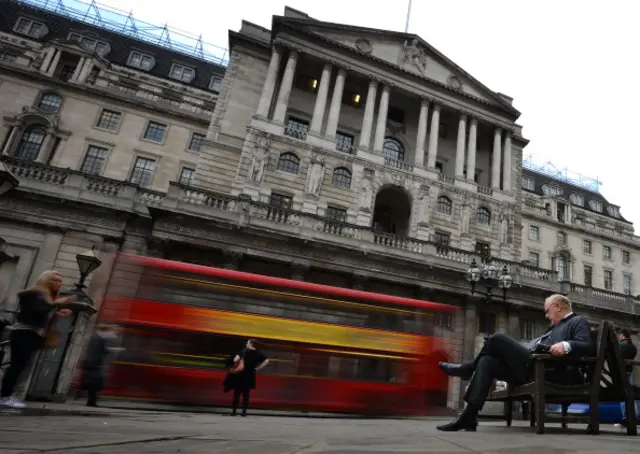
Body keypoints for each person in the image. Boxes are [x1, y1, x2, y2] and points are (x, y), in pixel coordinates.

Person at [436, 294, 594, 432]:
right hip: (531, 367)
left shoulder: (577, 321)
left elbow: (587, 345)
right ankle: (468, 417)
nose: (546, 316)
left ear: (558, 307)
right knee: (487, 361)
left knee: (497, 338)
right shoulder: (552, 328)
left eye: (547, 311)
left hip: (548, 370)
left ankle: (468, 368)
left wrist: (566, 346)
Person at [1, 270, 74, 409]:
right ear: (46, 280)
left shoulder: (46, 296)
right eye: (55, 280)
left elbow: (41, 313)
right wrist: (56, 303)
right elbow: (35, 310)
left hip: (32, 334)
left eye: (60, 282)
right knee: (16, 366)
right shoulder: (35, 293)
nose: (58, 284)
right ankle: (4, 397)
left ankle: (6, 395)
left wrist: (57, 312)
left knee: (19, 366)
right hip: (23, 332)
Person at [80, 324, 122, 407]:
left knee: (94, 384)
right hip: (93, 365)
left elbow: (102, 350)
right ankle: (91, 401)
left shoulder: (97, 338)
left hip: (93, 364)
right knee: (95, 384)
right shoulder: (98, 338)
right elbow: (96, 352)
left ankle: (92, 401)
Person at [224, 339, 269, 417]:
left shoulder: (243, 352)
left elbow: (235, 359)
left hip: (240, 375)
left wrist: (236, 363)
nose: (246, 344)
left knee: (237, 394)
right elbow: (267, 361)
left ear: (251, 344)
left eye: (247, 343)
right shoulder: (258, 353)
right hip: (250, 375)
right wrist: (258, 368)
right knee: (246, 394)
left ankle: (234, 412)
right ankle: (244, 412)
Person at [614, 327, 637, 430]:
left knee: (623, 396)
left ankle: (625, 419)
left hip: (621, 372)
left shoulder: (619, 345)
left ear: (622, 335)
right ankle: (634, 418)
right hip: (629, 371)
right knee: (631, 395)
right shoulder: (633, 347)